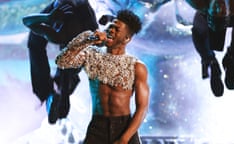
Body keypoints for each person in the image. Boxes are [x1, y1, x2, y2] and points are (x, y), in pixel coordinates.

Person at [56, 9, 150, 144]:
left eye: (117, 29)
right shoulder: (91, 56)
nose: (111, 30)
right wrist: (88, 40)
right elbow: (62, 61)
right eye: (110, 27)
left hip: (125, 128)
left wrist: (124, 139)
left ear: (126, 38)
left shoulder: (137, 67)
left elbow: (142, 107)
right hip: (97, 127)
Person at [22, 0, 98, 124]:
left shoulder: (61, 35)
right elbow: (27, 22)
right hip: (63, 14)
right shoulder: (59, 33)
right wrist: (48, 18)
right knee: (66, 69)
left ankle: (55, 93)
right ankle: (54, 93)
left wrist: (48, 19)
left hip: (73, 25)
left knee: (67, 68)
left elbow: (27, 22)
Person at [186, 0, 234, 96]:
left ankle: (215, 60)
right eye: (221, 11)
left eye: (215, 10)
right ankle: (229, 58)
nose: (219, 6)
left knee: (200, 27)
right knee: (200, 27)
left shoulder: (198, 3)